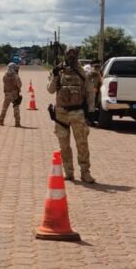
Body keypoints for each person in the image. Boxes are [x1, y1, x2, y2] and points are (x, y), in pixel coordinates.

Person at [47, 47, 95, 183]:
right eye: (69, 53)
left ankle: (85, 172)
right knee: (64, 145)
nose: (71, 56)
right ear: (65, 55)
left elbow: (90, 92)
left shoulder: (82, 72)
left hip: (77, 113)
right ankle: (68, 172)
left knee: (82, 144)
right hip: (61, 113)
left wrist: (91, 111)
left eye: (74, 53)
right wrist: (55, 76)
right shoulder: (58, 70)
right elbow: (50, 90)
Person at [0, 62, 22, 127]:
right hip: (14, 94)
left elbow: (4, 84)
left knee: (4, 108)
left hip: (7, 94)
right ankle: (17, 122)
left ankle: (1, 120)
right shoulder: (16, 76)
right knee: (16, 108)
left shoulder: (5, 75)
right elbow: (20, 85)